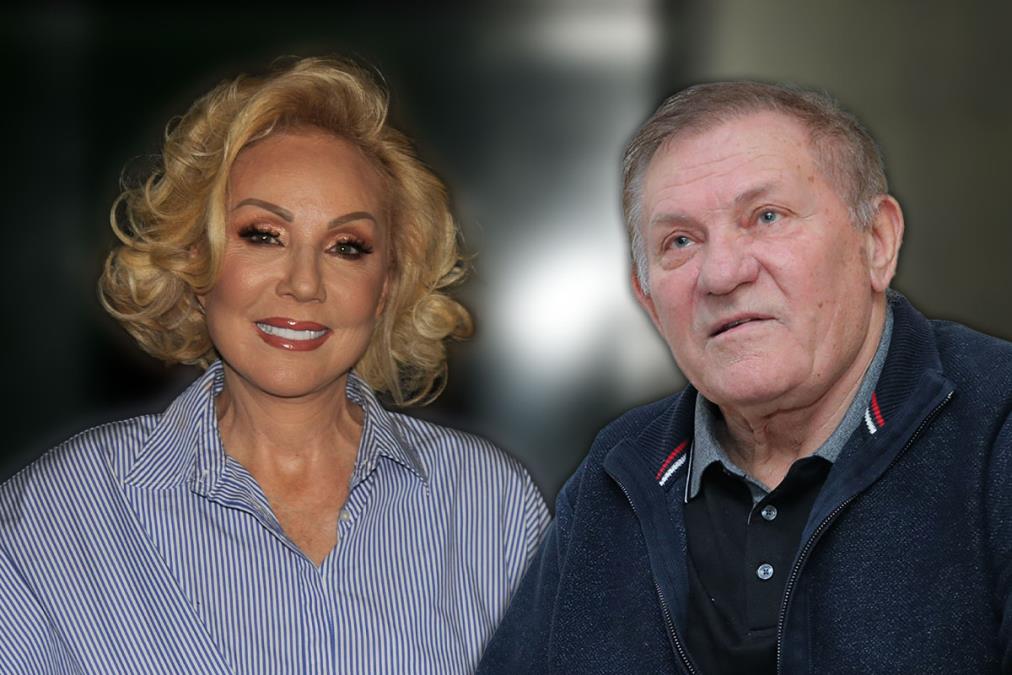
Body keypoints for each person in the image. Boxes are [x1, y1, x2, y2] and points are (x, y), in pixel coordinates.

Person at [0, 57, 548, 673]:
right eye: (263, 235)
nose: (304, 283)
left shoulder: (490, 504)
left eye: (347, 247)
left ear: (387, 287)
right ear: (195, 261)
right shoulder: (56, 515)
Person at [479, 81, 1012, 673]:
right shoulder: (615, 474)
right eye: (680, 241)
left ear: (877, 243)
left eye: (766, 217)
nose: (722, 274)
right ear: (649, 301)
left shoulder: (997, 430)